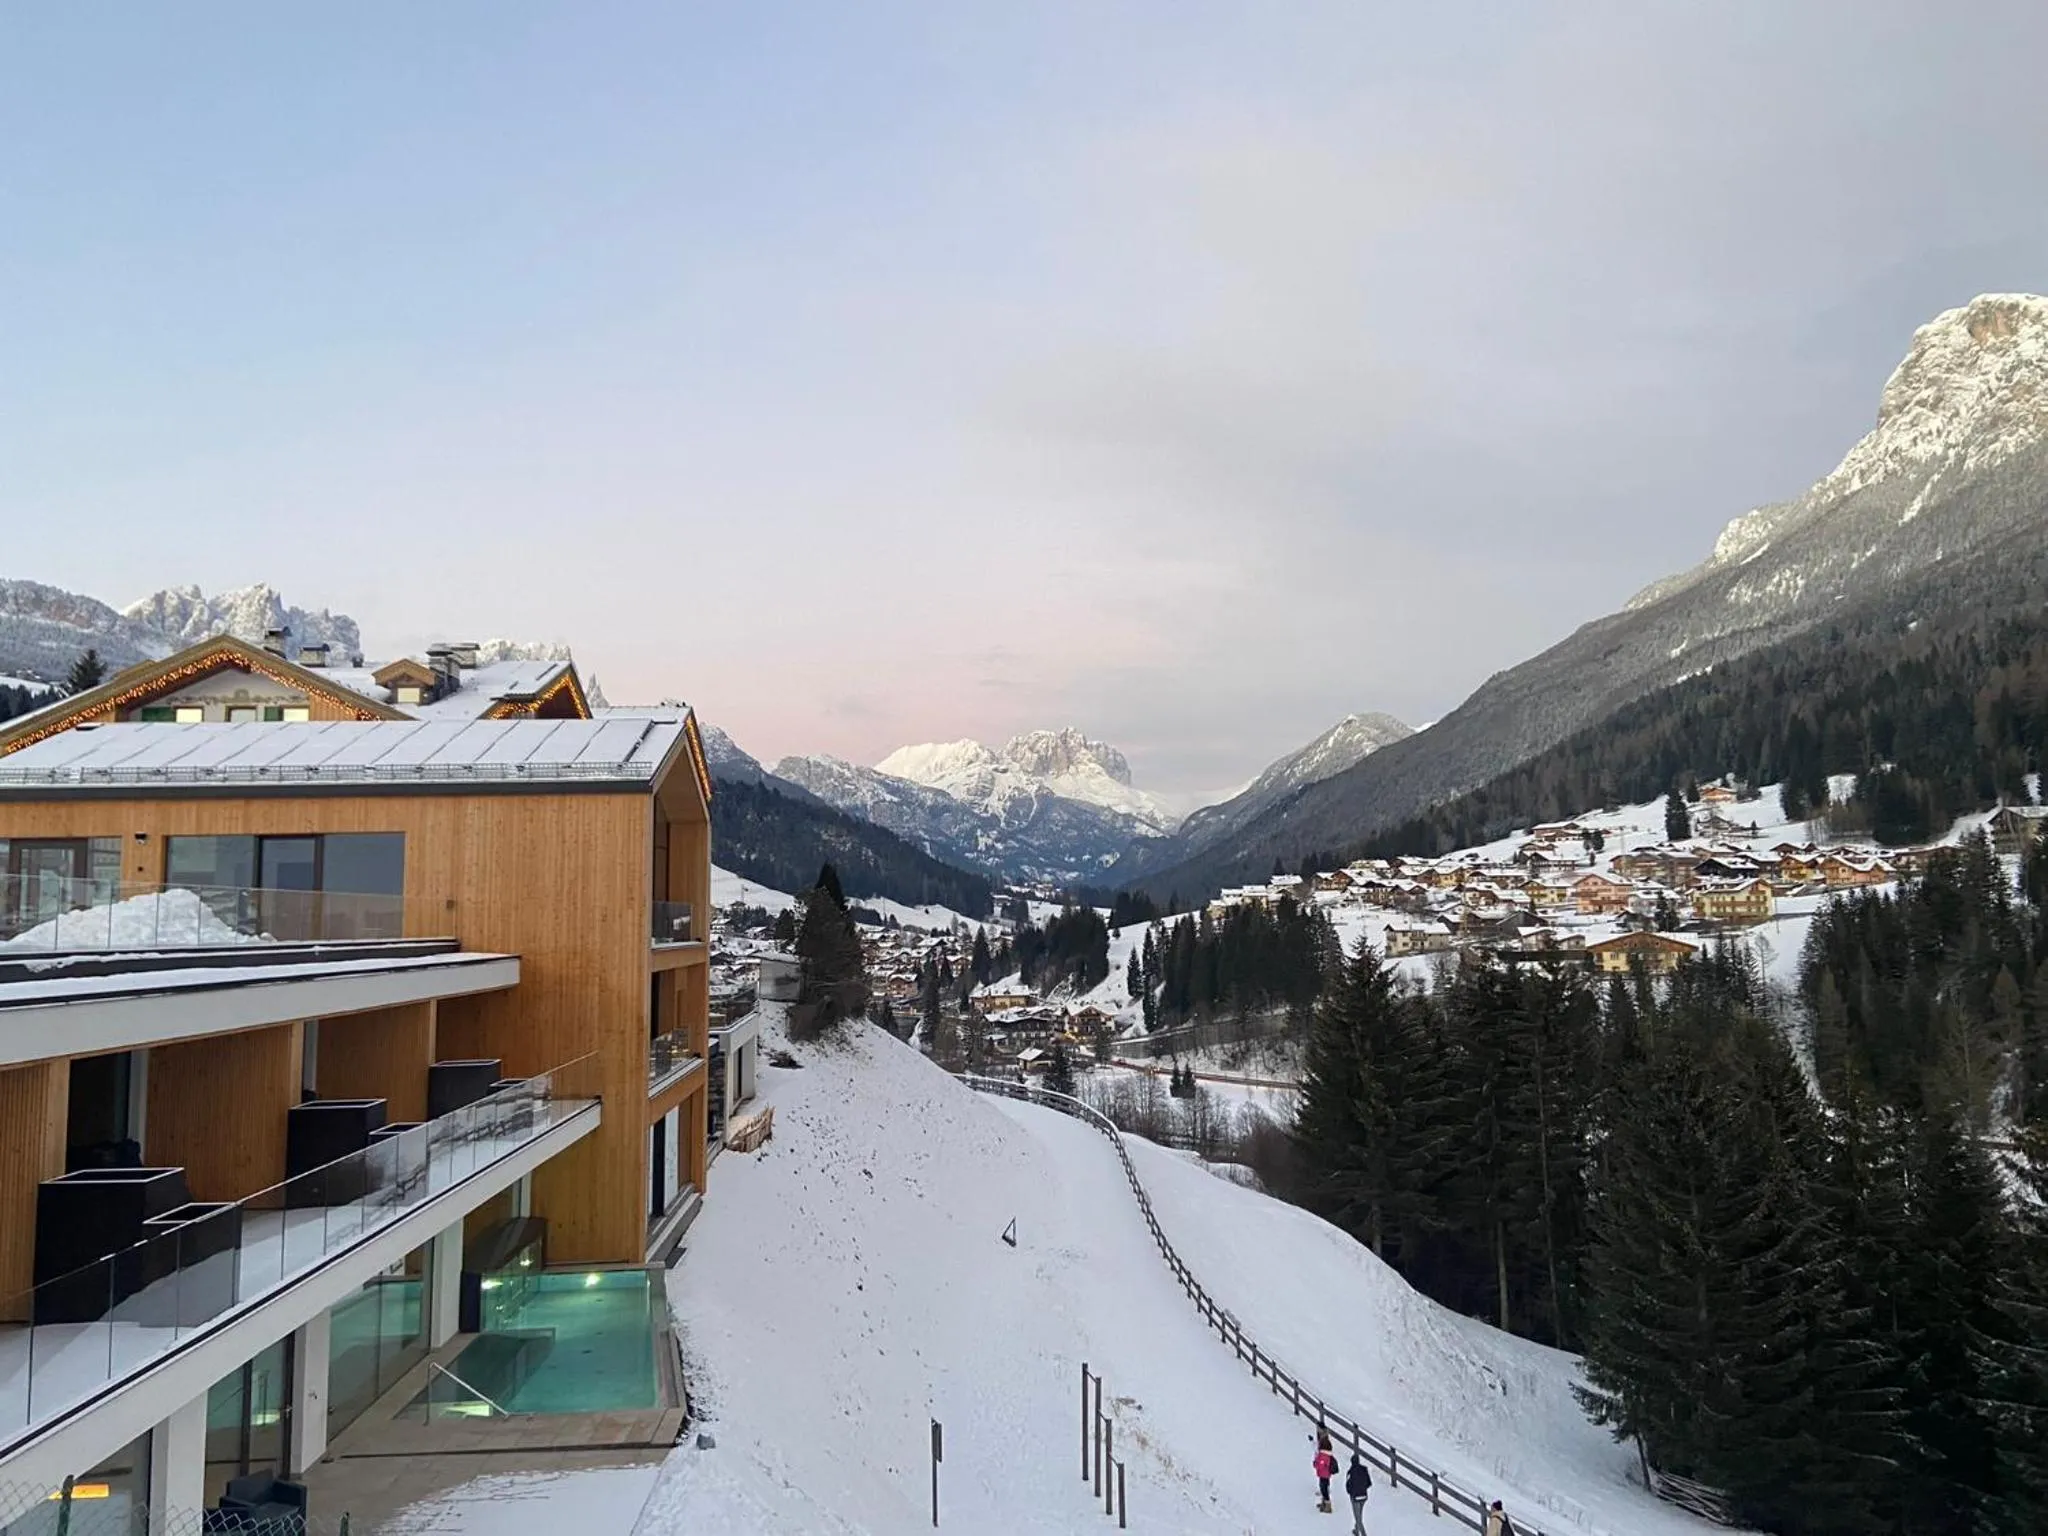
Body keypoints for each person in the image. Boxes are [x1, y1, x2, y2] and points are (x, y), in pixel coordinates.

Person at [1345, 1452, 1372, 1534]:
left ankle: (1363, 1534)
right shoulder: (1364, 1469)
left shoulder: (1350, 1472)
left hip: (1355, 1497)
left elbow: (1348, 1486)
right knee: (1359, 1514)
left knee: (1358, 1518)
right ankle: (1356, 1530)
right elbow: (1369, 1483)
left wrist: (1351, 1493)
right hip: (1364, 1496)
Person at [1312, 1433, 1338, 1514]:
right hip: (1325, 1474)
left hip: (1324, 1474)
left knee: (1324, 1489)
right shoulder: (1327, 1454)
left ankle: (1327, 1505)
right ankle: (1324, 1503)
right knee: (1324, 1488)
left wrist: (1315, 1463)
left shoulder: (1323, 1456)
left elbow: (1320, 1465)